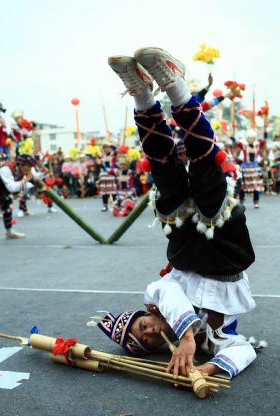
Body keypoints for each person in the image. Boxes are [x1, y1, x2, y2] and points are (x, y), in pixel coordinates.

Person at [98, 47, 256, 378]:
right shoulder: (207, 339)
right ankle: (176, 88)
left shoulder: (157, 296)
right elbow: (243, 348)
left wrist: (184, 336)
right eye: (150, 341)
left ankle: (142, 94)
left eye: (143, 326)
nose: (151, 332)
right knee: (207, 182)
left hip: (185, 251)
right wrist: (206, 368)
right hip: (225, 256)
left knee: (167, 182)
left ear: (145, 312)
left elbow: (167, 290)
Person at [0, 153, 36, 238]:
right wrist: (27, 180)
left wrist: (32, 183)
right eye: (29, 166)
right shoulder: (6, 169)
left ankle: (9, 233)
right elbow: (12, 188)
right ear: (21, 165)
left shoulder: (20, 171)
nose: (30, 169)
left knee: (7, 208)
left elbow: (19, 186)